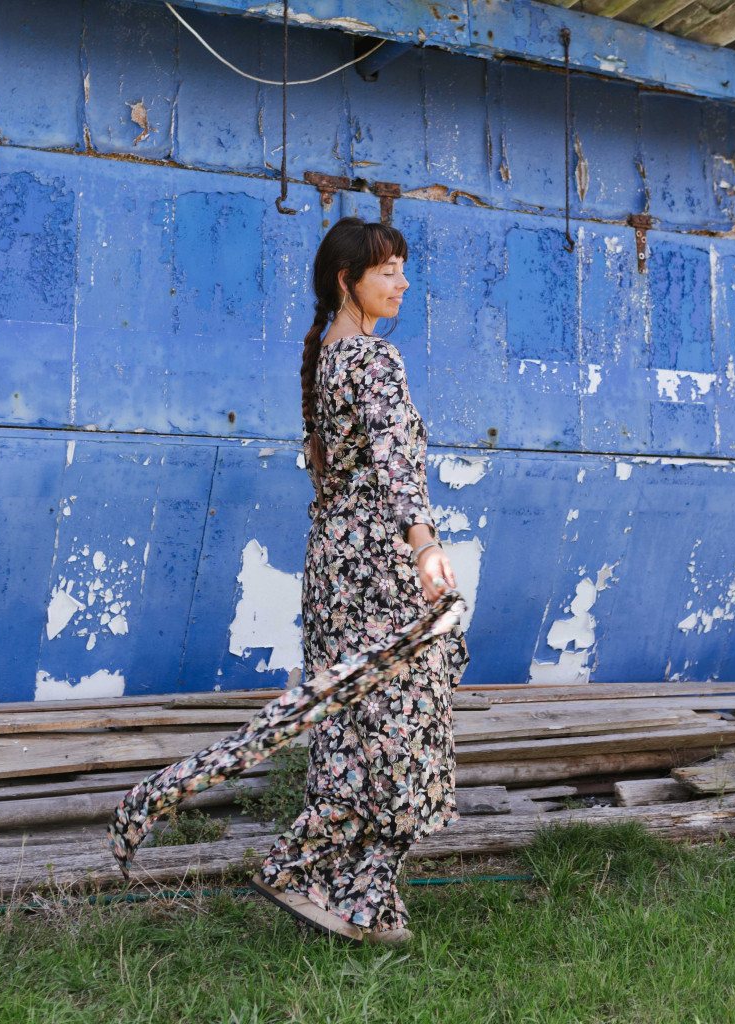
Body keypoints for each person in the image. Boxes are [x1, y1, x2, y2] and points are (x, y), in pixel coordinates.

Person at [250, 216, 469, 946]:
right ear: (348, 281)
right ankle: (305, 869)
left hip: (334, 569)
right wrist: (424, 543)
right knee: (404, 730)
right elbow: (395, 460)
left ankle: (363, 898)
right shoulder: (373, 360)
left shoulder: (327, 357)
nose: (403, 282)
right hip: (378, 569)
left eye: (403, 267)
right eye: (387, 271)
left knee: (357, 729)